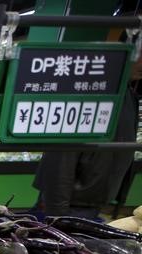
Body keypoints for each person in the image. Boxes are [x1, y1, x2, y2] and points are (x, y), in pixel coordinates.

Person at [32, 40, 142, 219]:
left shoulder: (127, 94)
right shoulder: (89, 92)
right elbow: (60, 157)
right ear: (123, 52)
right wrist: (58, 216)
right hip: (69, 204)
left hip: (90, 201)